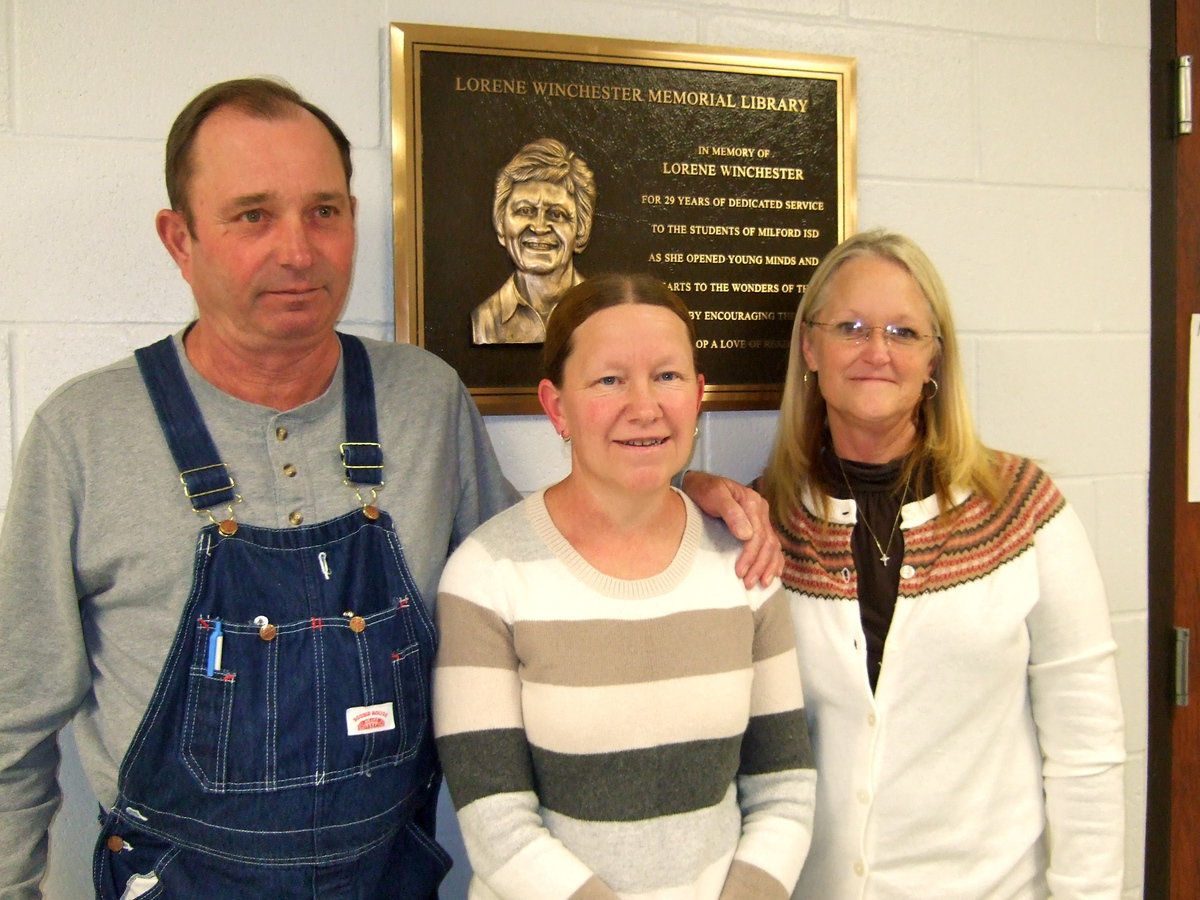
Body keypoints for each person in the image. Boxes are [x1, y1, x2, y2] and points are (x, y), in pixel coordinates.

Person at [0, 80, 780, 899]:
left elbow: (544, 567)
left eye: (325, 211)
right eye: (252, 215)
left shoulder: (424, 398)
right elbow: (13, 726)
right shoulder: (82, 433)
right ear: (179, 237)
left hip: (390, 877)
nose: (298, 250)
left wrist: (683, 489)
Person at [757, 229, 1126, 897]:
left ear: (935, 361)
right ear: (810, 348)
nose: (877, 351)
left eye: (903, 332)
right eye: (852, 327)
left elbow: (1086, 750)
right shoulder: (762, 523)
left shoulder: (1024, 508)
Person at [435, 274, 817, 899]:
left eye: (666, 376)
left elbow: (785, 787)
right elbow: (495, 822)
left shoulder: (742, 561)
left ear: (698, 396)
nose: (644, 406)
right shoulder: (487, 575)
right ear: (556, 406)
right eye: (609, 380)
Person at [470, 138, 595, 344]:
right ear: (501, 226)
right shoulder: (483, 321)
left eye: (556, 214)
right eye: (525, 211)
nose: (539, 227)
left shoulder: (606, 317)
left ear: (581, 230)